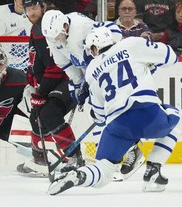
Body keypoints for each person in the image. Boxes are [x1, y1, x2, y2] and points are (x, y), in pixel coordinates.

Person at [47, 26, 180, 195]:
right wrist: (149, 61)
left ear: (95, 48)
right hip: (146, 113)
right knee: (176, 119)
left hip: (117, 125)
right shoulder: (131, 44)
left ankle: (79, 176)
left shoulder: (92, 70)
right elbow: (171, 57)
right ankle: (153, 171)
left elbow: (100, 117)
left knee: (105, 170)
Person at [41, 9, 145, 180]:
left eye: (59, 35)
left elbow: (114, 31)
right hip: (93, 77)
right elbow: (68, 66)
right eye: (53, 38)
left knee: (112, 113)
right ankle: (114, 156)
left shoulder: (82, 26)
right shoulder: (53, 36)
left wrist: (92, 75)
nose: (56, 40)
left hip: (110, 71)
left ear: (66, 26)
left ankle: (131, 149)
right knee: (98, 116)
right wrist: (77, 87)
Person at [16, 0, 85, 176]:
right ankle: (39, 158)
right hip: (55, 81)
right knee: (36, 117)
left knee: (49, 113)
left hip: (71, 78)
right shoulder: (35, 30)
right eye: (28, 9)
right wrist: (32, 79)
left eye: (34, 8)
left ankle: (74, 156)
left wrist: (41, 91)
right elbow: (38, 61)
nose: (32, 12)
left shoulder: (48, 27)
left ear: (43, 6)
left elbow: (56, 67)